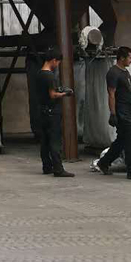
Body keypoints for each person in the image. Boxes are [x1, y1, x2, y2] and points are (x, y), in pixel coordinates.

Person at [96, 46, 131, 181]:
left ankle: (104, 162)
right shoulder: (113, 73)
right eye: (129, 58)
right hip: (121, 111)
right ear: (122, 58)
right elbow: (111, 94)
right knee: (130, 140)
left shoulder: (125, 72)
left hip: (128, 110)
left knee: (122, 140)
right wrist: (113, 114)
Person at [37, 47, 75, 178]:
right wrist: (65, 93)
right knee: (55, 141)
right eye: (58, 62)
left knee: (45, 141)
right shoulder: (50, 76)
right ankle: (58, 169)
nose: (58, 64)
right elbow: (53, 95)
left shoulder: (39, 74)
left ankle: (47, 166)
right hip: (52, 112)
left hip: (42, 111)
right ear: (54, 60)